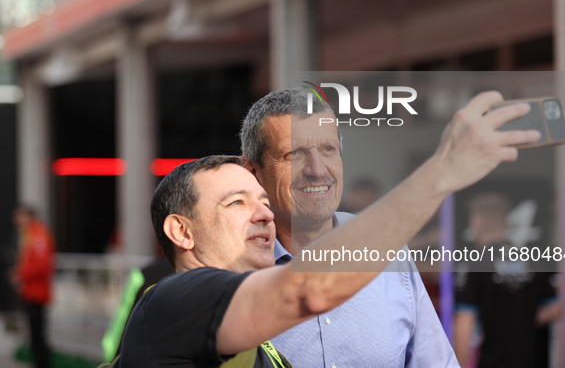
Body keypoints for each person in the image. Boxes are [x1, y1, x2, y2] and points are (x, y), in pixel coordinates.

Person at [118, 90, 540, 367]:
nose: (317, 169)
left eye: (328, 150)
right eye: (237, 202)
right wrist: (443, 171)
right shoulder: (176, 301)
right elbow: (308, 290)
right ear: (182, 231)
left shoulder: (388, 249)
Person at [238, 87, 456, 366]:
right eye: (294, 153)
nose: (317, 170)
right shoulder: (231, 266)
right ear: (253, 172)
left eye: (328, 149)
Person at [453, 192, 561, 368]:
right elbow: (556, 308)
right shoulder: (532, 259)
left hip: (493, 362)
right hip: (533, 361)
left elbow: (465, 322)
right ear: (507, 225)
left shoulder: (475, 263)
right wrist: (521, 318)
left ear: (475, 224)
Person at [10, 205, 55, 368]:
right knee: (35, 334)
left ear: (28, 216)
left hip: (37, 293)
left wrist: (21, 275)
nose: (16, 220)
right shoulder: (29, 234)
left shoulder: (38, 235)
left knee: (38, 335)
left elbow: (42, 266)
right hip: (30, 291)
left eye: (19, 216)